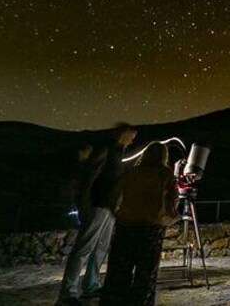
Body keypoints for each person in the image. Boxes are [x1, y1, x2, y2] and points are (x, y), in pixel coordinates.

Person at [57, 123, 137, 305]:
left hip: (110, 208)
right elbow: (90, 177)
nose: (133, 139)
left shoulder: (118, 152)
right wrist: (85, 204)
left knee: (101, 247)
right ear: (123, 134)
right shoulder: (106, 150)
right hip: (98, 205)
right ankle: (68, 293)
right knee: (84, 248)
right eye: (132, 135)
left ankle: (91, 285)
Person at [100, 142, 178, 306]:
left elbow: (112, 197)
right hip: (151, 228)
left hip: (126, 226)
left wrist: (117, 214)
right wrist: (167, 219)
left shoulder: (131, 173)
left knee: (119, 273)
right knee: (145, 275)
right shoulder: (165, 175)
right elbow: (173, 202)